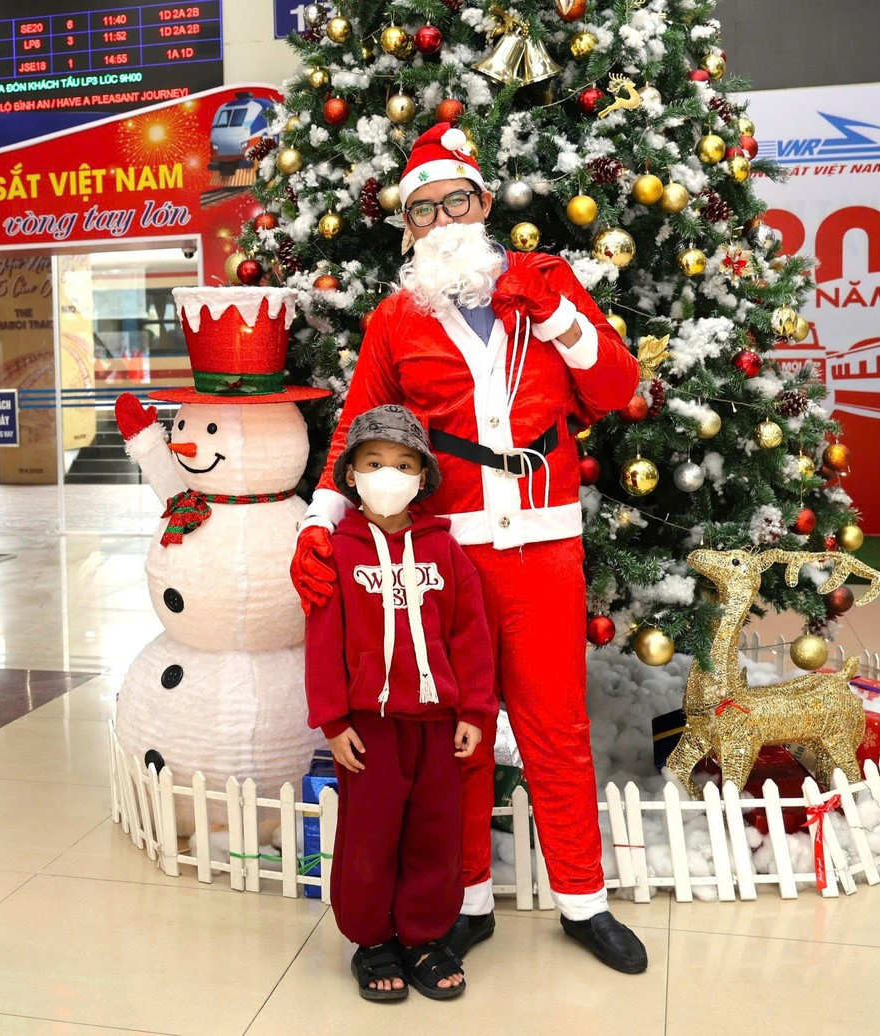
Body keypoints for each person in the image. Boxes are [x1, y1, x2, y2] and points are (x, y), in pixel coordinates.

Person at [291, 123, 649, 974]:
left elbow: (619, 385)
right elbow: (356, 429)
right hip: (446, 553)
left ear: (485, 205)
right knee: (458, 728)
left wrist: (559, 318)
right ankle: (470, 901)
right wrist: (317, 522)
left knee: (555, 723)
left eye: (457, 200)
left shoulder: (548, 283)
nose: (443, 216)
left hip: (546, 543)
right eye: (423, 209)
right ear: (408, 228)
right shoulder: (395, 318)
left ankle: (582, 901)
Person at [305, 404, 496, 1002]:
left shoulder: (445, 552)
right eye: (375, 462)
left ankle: (422, 936)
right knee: (370, 833)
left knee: (435, 833)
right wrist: (334, 721)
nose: (389, 474)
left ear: (421, 477)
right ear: (353, 475)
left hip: (438, 724)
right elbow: (323, 642)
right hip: (369, 728)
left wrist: (474, 711)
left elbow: (471, 634)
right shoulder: (338, 552)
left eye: (403, 463)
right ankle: (372, 940)